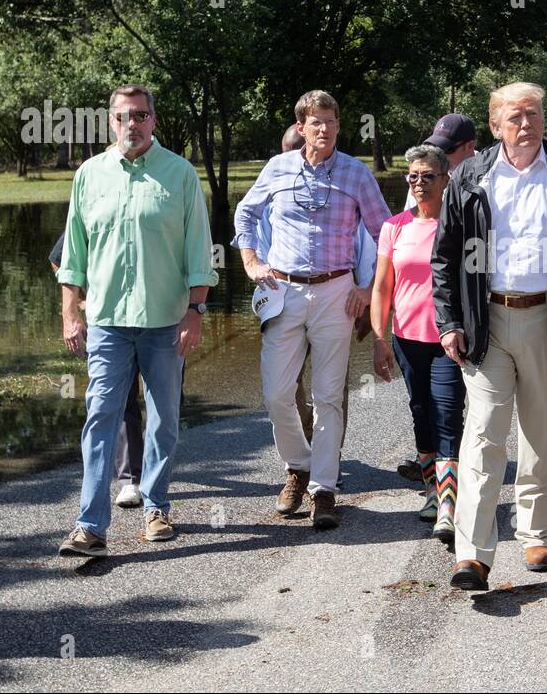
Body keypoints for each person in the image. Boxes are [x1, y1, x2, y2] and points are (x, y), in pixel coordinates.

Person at [432, 81, 547, 590]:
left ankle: (536, 534)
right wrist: (450, 321)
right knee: (483, 435)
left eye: (532, 114)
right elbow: (444, 257)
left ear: (543, 120)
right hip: (487, 321)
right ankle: (472, 553)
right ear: (494, 125)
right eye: (514, 117)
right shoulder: (467, 176)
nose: (524, 124)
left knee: (545, 435)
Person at [57, 85, 218, 557]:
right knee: (100, 417)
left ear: (154, 120)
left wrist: (196, 309)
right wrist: (71, 311)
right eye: (125, 116)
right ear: (111, 121)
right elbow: (74, 252)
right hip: (106, 321)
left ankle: (156, 506)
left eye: (142, 115)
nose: (134, 123)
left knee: (164, 418)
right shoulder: (90, 175)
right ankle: (91, 525)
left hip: (166, 321)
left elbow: (199, 253)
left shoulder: (180, 174)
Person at [233, 90, 390, 530]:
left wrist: (365, 287)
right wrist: (250, 262)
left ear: (339, 126)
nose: (324, 128)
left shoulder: (357, 174)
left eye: (331, 121)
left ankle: (323, 488)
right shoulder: (278, 167)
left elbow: (386, 234)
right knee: (277, 393)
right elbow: (245, 215)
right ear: (300, 127)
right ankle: (297, 465)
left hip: (335, 291)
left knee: (327, 396)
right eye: (315, 122)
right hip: (281, 288)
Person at [372, 144, 465, 543]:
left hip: (448, 338)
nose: (420, 183)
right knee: (420, 412)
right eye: (413, 176)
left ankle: (448, 505)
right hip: (407, 337)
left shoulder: (458, 225)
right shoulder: (394, 227)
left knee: (447, 414)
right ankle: (431, 492)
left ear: (446, 179)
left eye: (428, 176)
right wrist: (380, 340)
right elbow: (381, 288)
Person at [270, 125, 376, 460]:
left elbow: (367, 247)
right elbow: (254, 241)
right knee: (284, 388)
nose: (297, 154)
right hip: (282, 298)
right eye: (290, 149)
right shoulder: (275, 189)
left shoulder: (343, 188)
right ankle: (303, 457)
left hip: (337, 296)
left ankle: (327, 461)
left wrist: (366, 296)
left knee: (332, 388)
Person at [50, 231, 143, 508]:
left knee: (168, 402)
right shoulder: (95, 199)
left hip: (160, 321)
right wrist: (78, 304)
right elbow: (59, 260)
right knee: (122, 400)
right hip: (107, 322)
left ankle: (154, 470)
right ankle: (131, 480)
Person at [400, 113, 477, 213]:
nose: (440, 155)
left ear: (470, 146)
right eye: (436, 148)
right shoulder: (422, 180)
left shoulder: (489, 176)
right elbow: (410, 220)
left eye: (448, 149)